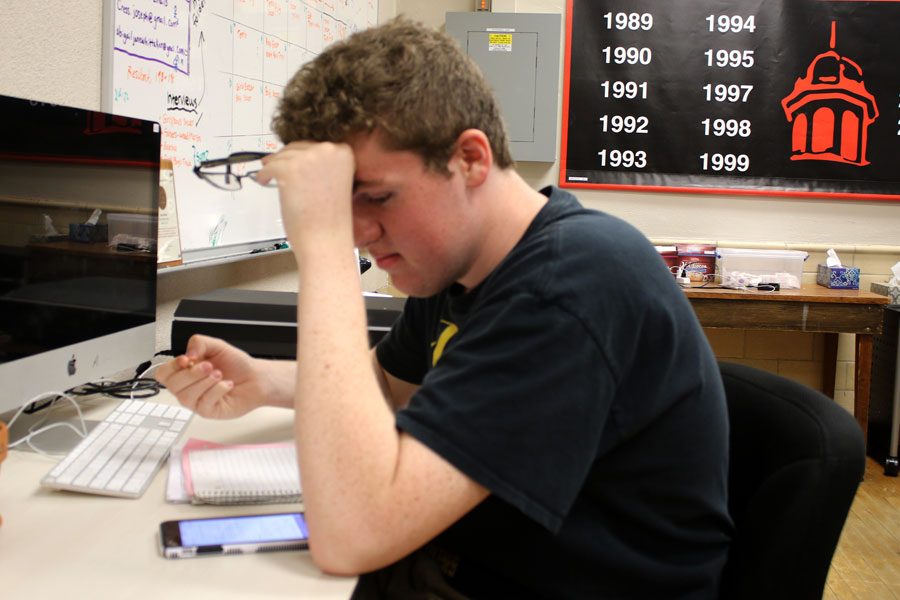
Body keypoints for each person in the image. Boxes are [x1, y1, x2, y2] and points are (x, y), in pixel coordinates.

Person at [156, 16, 732, 598]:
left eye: (376, 196)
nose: (359, 231)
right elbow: (386, 385)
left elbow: (350, 536)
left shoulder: (567, 286)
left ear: (471, 159)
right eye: (342, 204)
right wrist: (267, 381)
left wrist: (324, 246)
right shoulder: (464, 266)